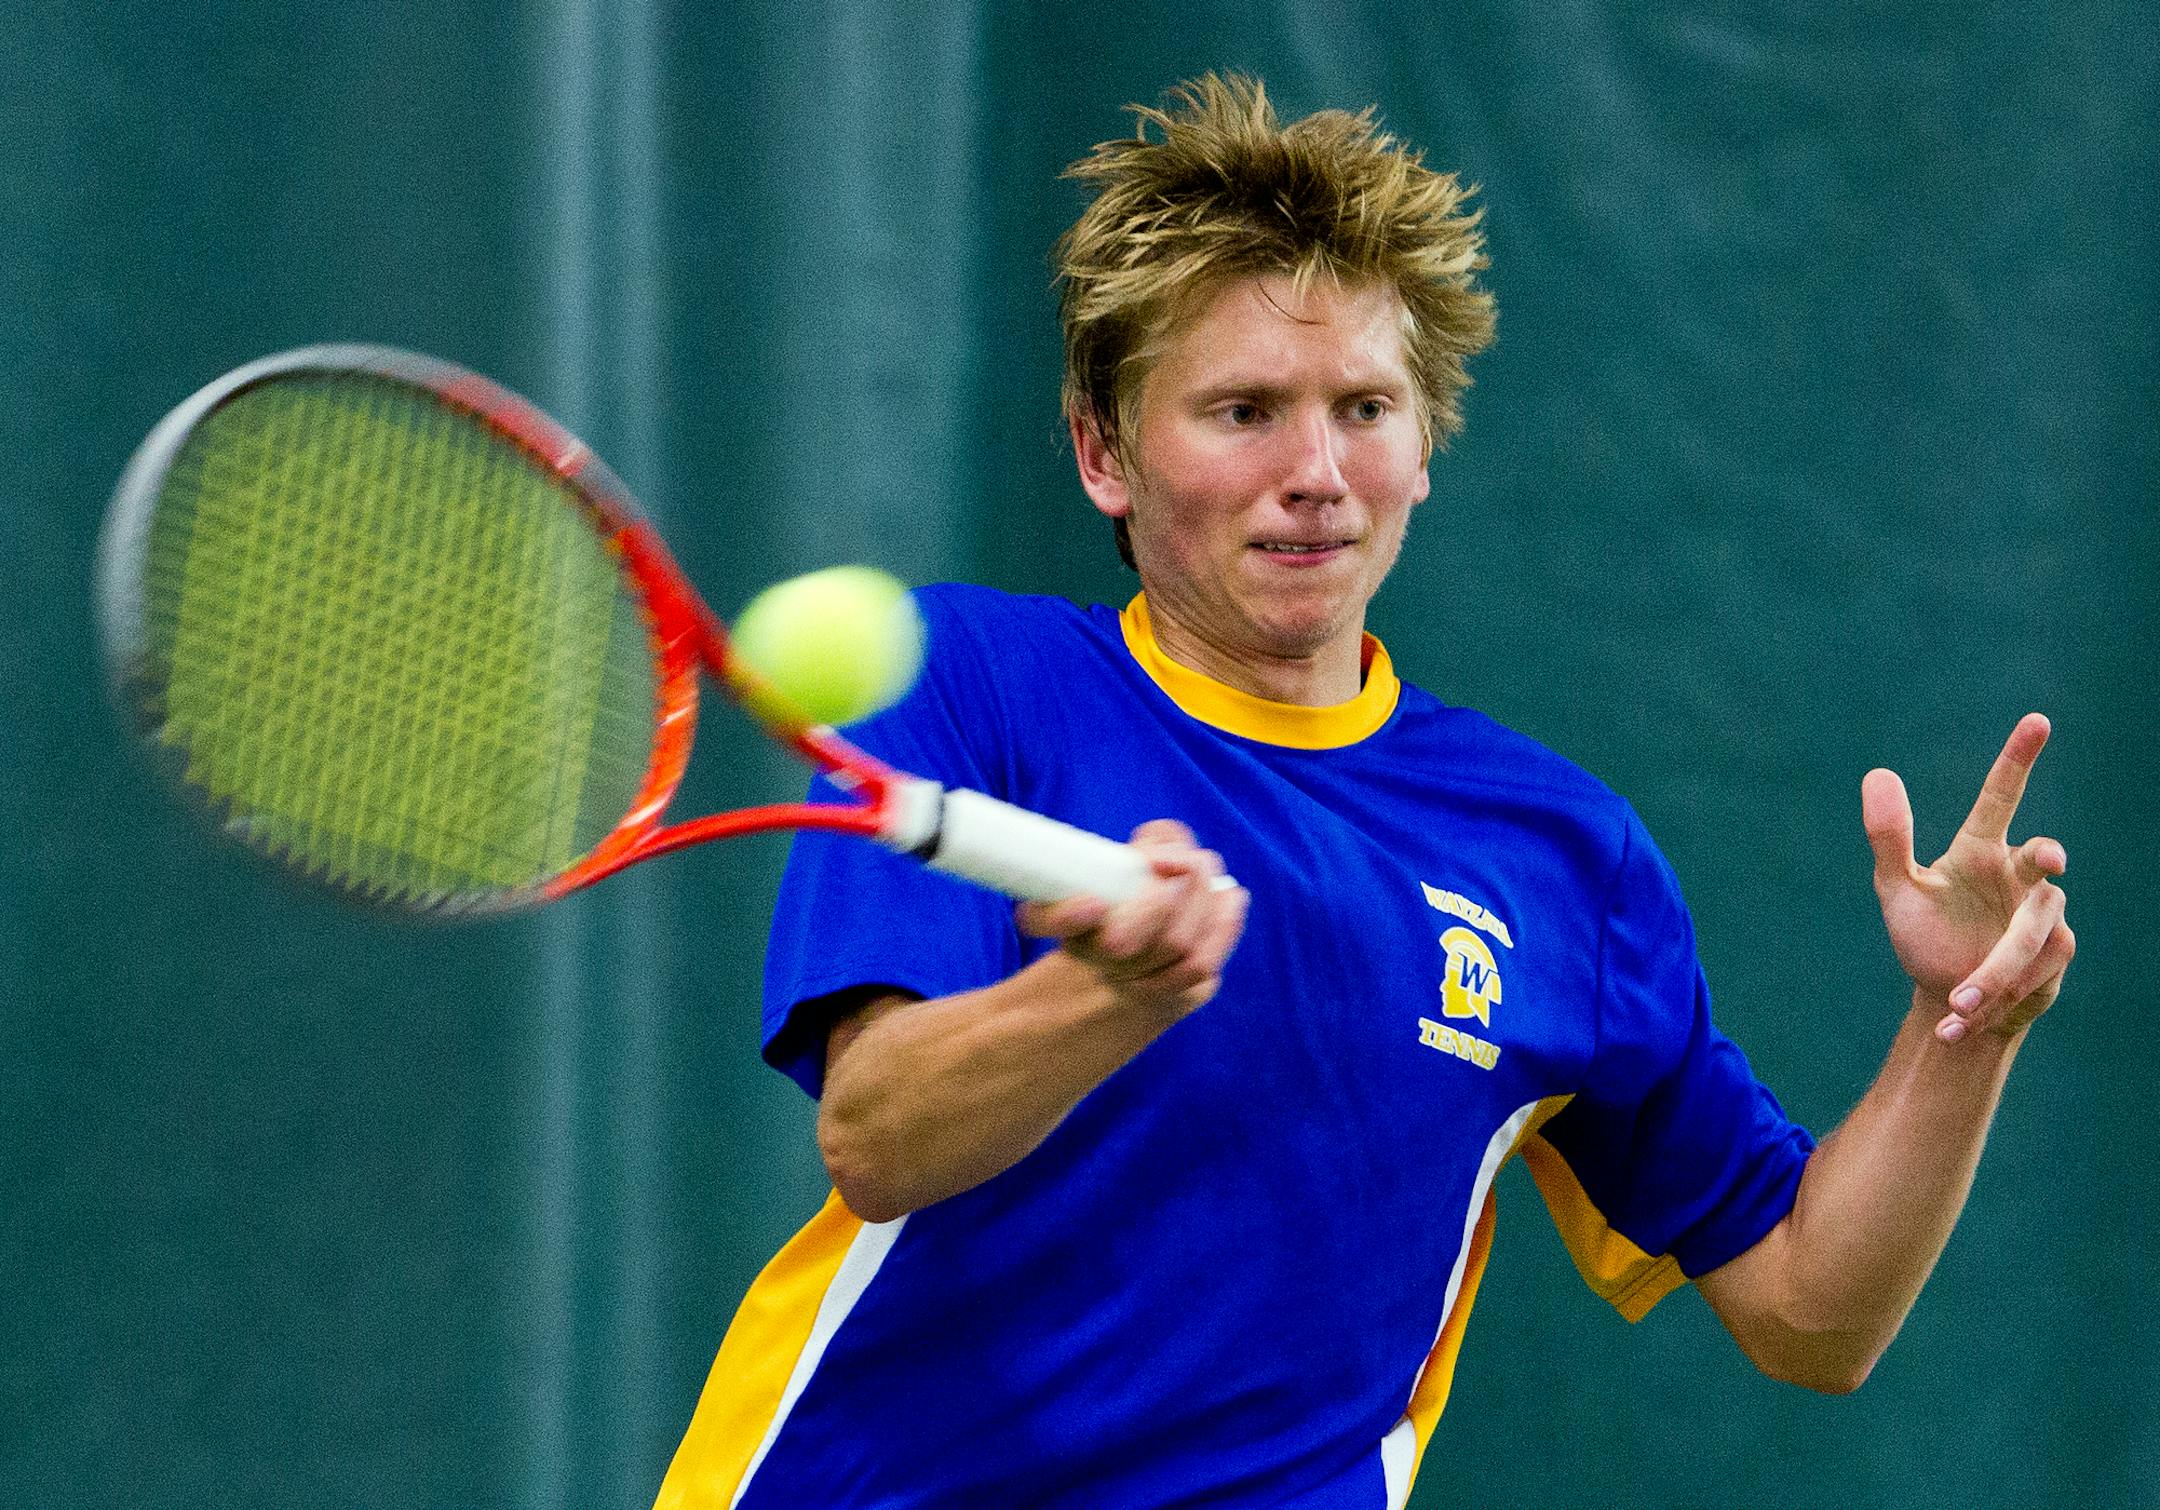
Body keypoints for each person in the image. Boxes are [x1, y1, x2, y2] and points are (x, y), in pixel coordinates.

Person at [654, 73, 2075, 1509]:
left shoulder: (1563, 859)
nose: (1317, 473)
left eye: (1365, 408)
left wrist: (1963, 1026)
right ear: (1105, 451)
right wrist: (1105, 997)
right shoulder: (968, 679)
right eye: (1245, 410)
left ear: (1422, 447)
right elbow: (879, 1133)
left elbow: (1811, 1310)